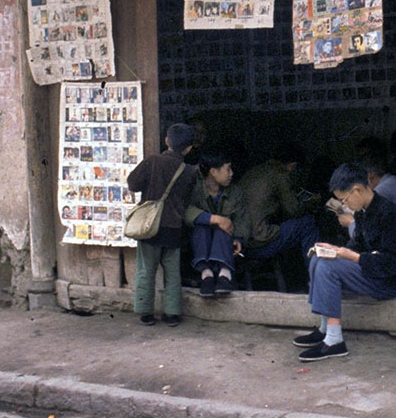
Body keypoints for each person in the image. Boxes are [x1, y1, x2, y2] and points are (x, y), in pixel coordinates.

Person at [293, 163, 396, 361]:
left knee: (328, 267)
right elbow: (357, 245)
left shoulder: (390, 214)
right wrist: (334, 251)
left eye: (344, 200)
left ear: (357, 190)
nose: (344, 206)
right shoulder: (364, 212)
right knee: (318, 260)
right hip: (371, 272)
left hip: (388, 282)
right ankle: (325, 329)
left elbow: (394, 263)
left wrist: (352, 257)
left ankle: (335, 341)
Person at [126, 122, 196, 327]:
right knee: (173, 271)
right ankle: (172, 314)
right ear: (189, 148)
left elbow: (132, 184)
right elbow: (187, 197)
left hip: (150, 226)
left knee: (146, 268)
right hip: (173, 227)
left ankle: (145, 312)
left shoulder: (153, 161)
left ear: (166, 140)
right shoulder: (188, 171)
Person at [235, 142, 319, 280]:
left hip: (239, 243)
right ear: (293, 166)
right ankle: (317, 279)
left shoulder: (256, 170)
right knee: (308, 223)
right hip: (258, 243)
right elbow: (293, 210)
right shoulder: (281, 174)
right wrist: (310, 202)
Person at [185, 152, 244, 296]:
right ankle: (207, 275)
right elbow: (186, 212)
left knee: (224, 228)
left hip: (225, 243)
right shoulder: (195, 188)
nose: (231, 174)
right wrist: (215, 219)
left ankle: (224, 275)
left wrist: (239, 238)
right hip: (200, 242)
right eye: (228, 169)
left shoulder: (235, 192)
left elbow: (242, 220)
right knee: (202, 226)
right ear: (213, 171)